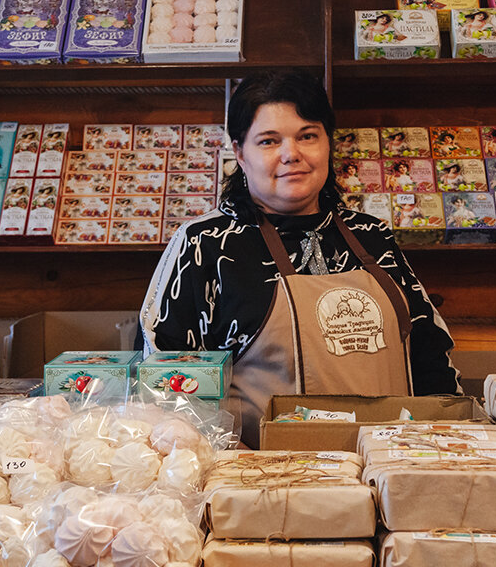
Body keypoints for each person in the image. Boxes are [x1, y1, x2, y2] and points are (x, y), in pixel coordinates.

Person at [141, 69, 460, 447]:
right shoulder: (204, 243)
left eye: (307, 136)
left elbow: (430, 354)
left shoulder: (372, 235)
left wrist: (447, 444)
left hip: (384, 475)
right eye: (269, 141)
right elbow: (165, 379)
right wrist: (225, 458)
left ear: (328, 143)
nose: (291, 154)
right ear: (240, 153)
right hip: (265, 483)